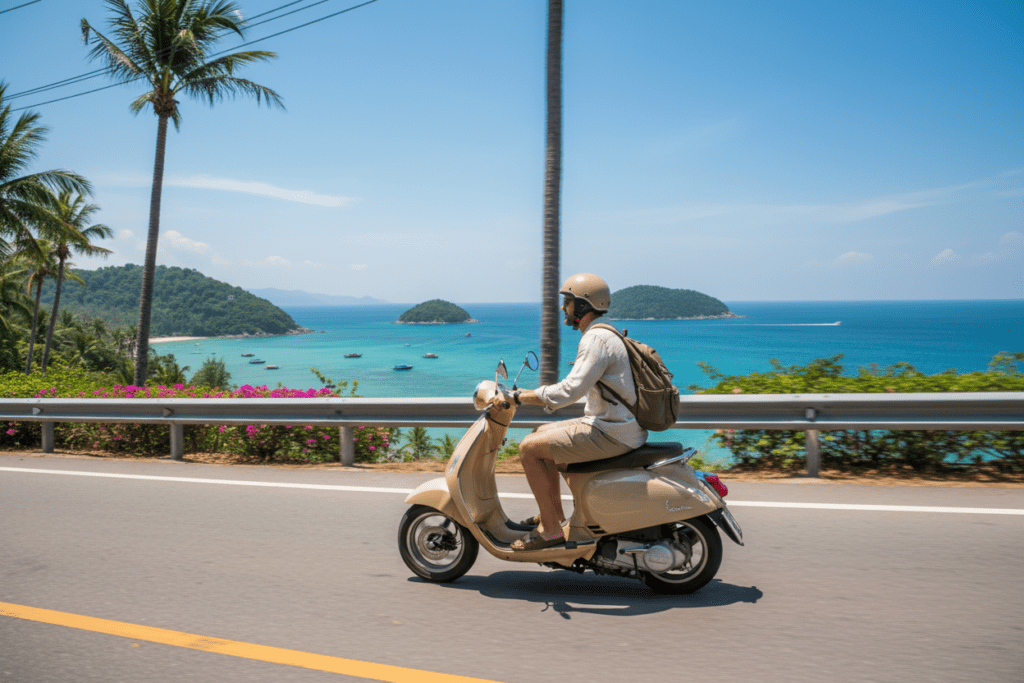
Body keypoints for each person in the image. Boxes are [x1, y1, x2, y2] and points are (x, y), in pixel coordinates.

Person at [505, 273, 648, 550]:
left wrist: (524, 396)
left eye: (568, 302)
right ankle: (554, 516)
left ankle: (550, 532)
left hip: (612, 432)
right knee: (540, 434)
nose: (563, 308)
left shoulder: (595, 339)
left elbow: (570, 391)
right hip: (617, 425)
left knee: (528, 449)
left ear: (583, 306)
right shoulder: (608, 333)